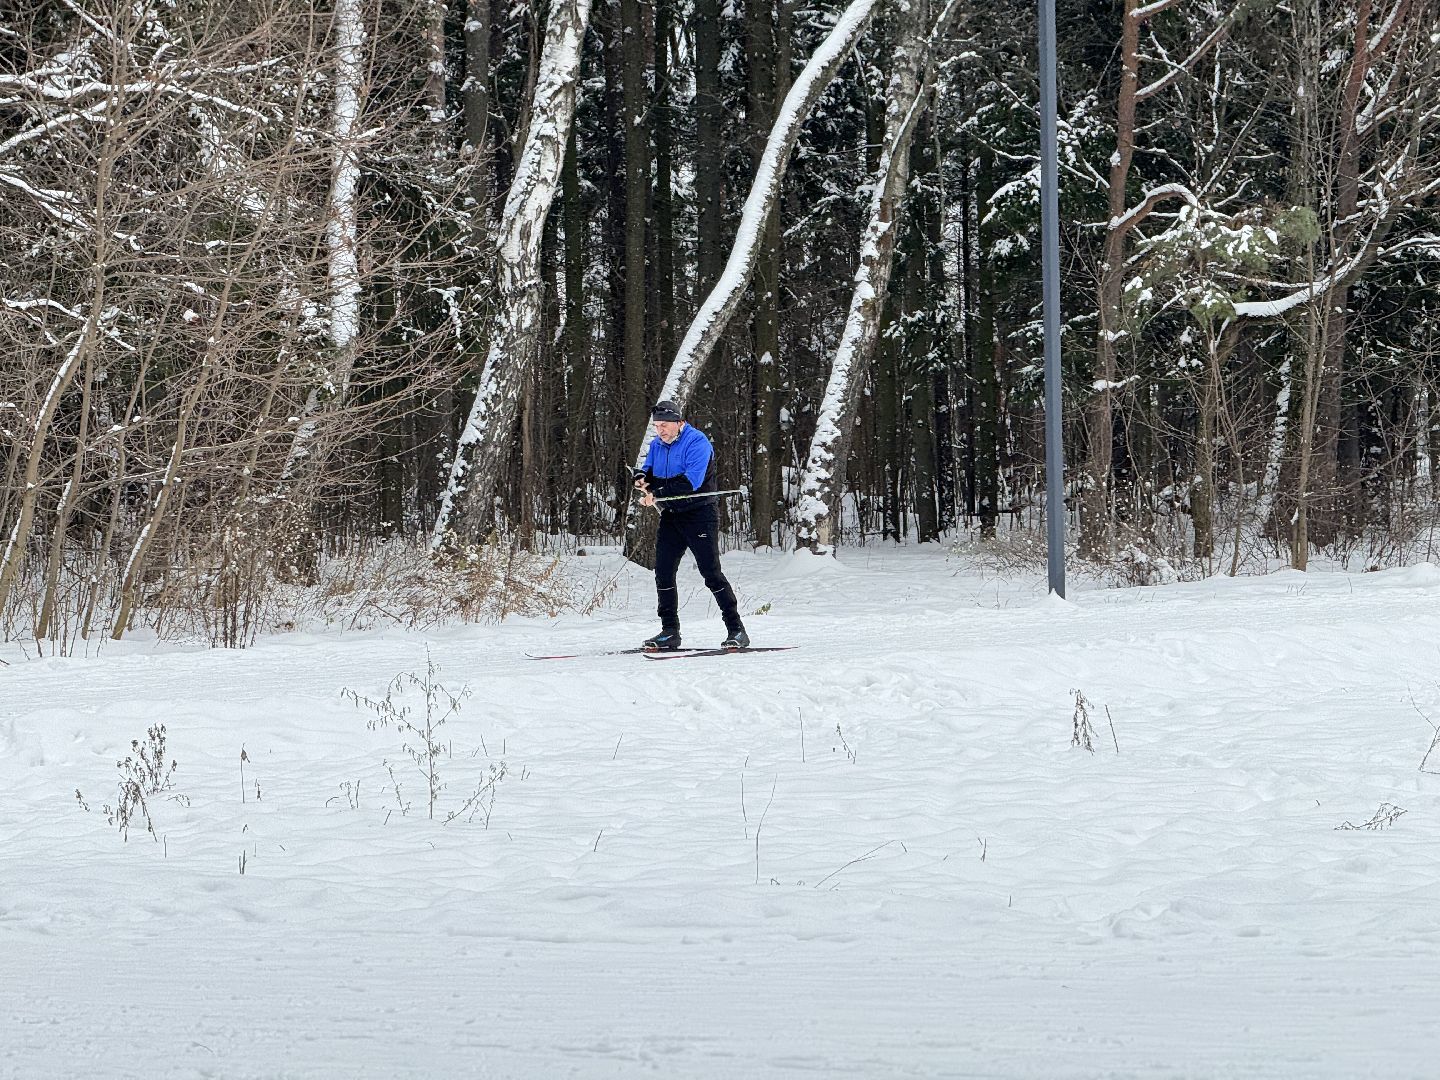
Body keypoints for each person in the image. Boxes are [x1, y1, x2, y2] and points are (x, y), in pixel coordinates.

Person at [633, 399, 749, 651]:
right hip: (672, 515)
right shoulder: (656, 444)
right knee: (663, 572)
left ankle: (736, 629)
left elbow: (690, 483)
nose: (660, 430)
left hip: (700, 514)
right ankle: (669, 631)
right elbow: (649, 470)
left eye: (665, 425)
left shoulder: (697, 442)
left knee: (710, 573)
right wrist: (641, 478)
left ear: (679, 423)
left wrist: (657, 492)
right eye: (657, 426)